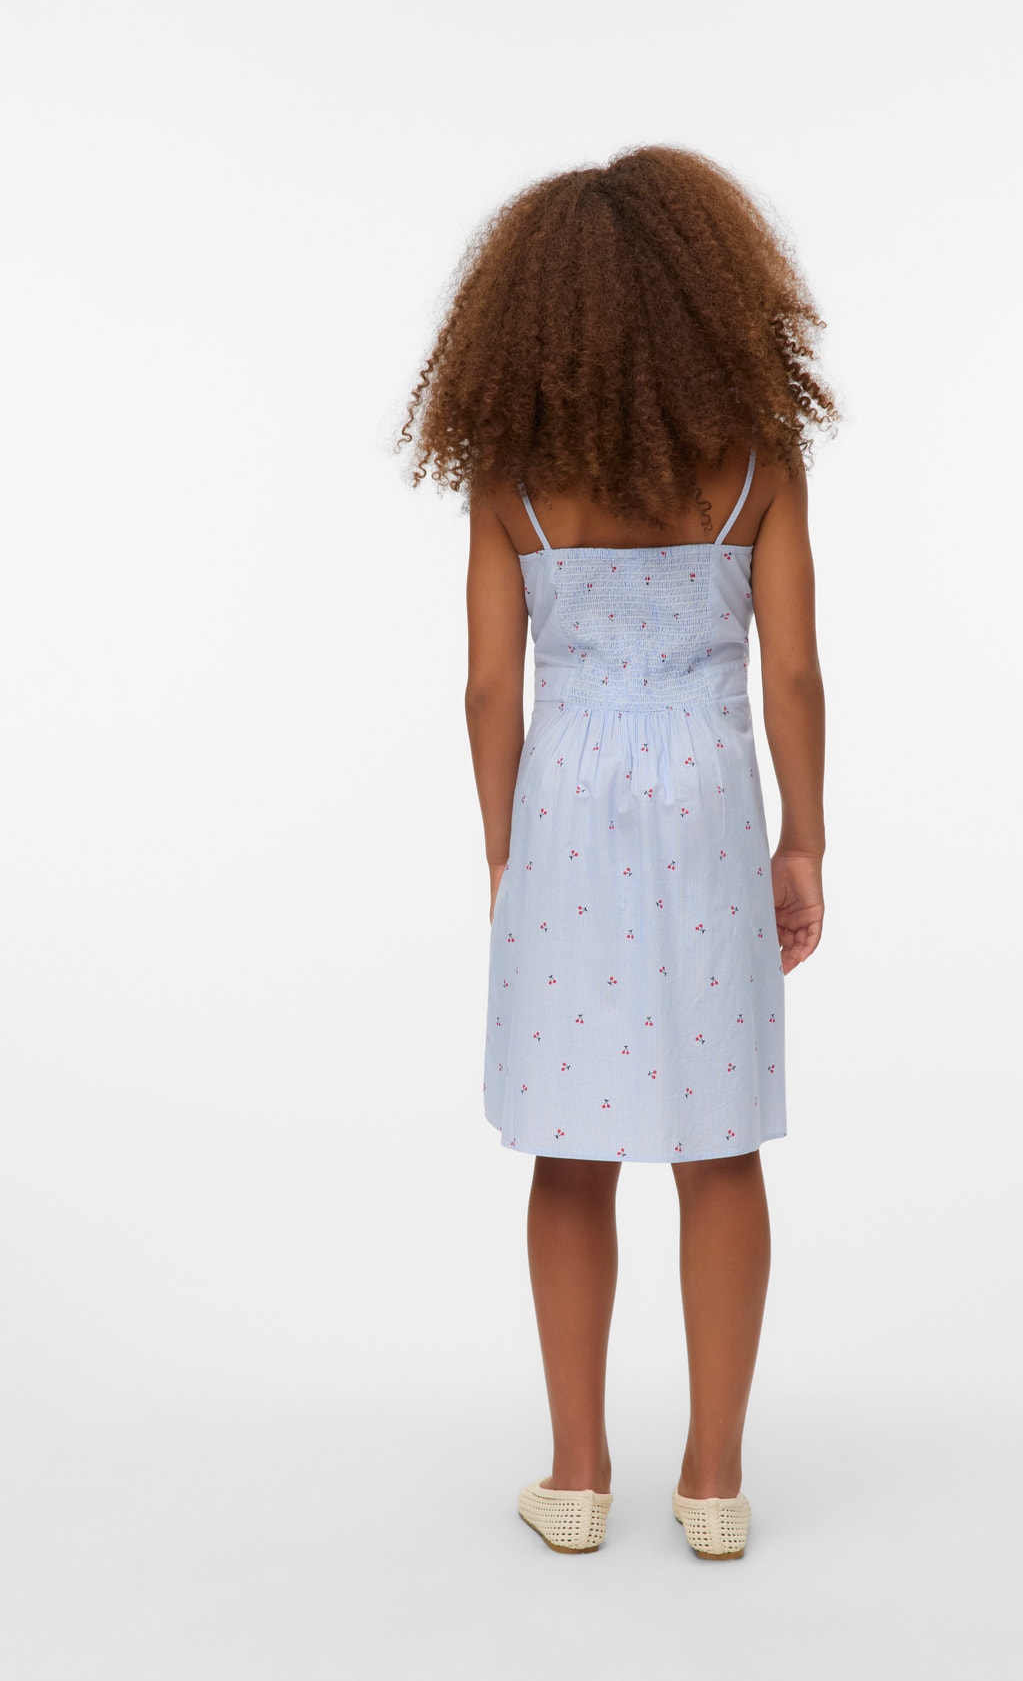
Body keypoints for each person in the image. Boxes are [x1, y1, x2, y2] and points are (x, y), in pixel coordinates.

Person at [397, 144, 835, 1559]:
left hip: (567, 805)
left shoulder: (512, 478)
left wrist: (501, 848)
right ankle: (713, 1480)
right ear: (717, 295)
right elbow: (793, 674)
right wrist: (804, 836)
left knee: (572, 1145)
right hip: (710, 797)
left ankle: (577, 1474)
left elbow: (487, 689)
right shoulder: (757, 460)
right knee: (720, 1141)